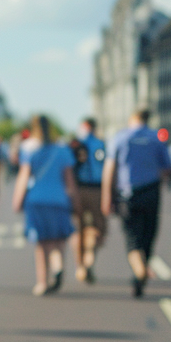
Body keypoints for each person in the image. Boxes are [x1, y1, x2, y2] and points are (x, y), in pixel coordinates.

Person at [103, 108, 171, 298]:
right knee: (149, 233)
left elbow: (110, 169)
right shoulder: (156, 138)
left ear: (132, 118)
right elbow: (167, 167)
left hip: (127, 193)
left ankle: (138, 269)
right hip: (151, 192)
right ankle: (142, 268)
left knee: (132, 236)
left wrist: (107, 197)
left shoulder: (120, 138)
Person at [13, 115, 78, 296]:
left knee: (42, 243)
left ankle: (42, 282)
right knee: (58, 239)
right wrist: (74, 201)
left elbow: (24, 177)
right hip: (59, 200)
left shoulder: (29, 149)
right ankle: (58, 267)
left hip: (37, 200)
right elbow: (69, 181)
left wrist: (18, 200)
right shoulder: (62, 150)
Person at [70, 117, 107, 284]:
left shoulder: (75, 144)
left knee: (79, 228)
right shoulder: (100, 144)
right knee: (98, 227)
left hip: (78, 189)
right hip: (97, 189)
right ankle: (89, 258)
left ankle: (80, 265)